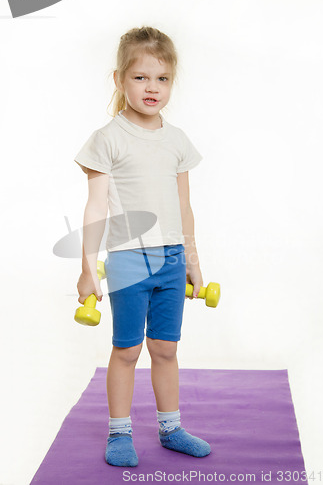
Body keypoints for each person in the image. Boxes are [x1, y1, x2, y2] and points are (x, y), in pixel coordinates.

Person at [75, 26, 211, 467]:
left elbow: (184, 207)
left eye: (162, 78)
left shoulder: (177, 141)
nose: (152, 87)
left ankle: (170, 428)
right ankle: (120, 432)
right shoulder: (108, 138)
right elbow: (96, 207)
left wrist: (193, 261)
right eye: (140, 77)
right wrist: (86, 267)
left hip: (172, 259)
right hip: (129, 260)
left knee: (166, 348)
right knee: (127, 350)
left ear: (172, 82)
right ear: (119, 80)